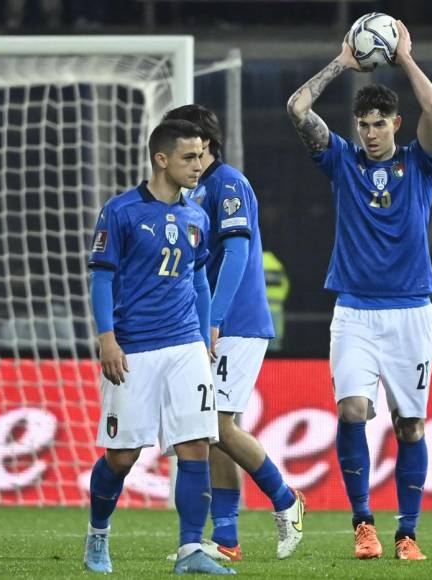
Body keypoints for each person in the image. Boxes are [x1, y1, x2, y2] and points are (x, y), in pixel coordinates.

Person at [286, 19, 432, 561]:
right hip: (353, 312)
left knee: (411, 425)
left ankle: (407, 534)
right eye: (364, 124)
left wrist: (403, 57)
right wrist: (342, 64)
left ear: (396, 124)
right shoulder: (342, 162)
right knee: (353, 411)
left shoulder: (419, 165)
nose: (371, 132)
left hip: (410, 313)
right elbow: (298, 109)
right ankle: (363, 524)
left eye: (380, 123)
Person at [83, 119, 234, 576]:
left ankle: (191, 551)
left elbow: (198, 278)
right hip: (135, 349)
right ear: (161, 159)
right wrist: (107, 338)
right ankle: (98, 535)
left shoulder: (197, 215)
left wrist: (208, 329)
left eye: (202, 155)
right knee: (122, 456)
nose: (199, 165)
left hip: (186, 345)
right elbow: (102, 277)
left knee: (195, 447)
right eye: (189, 157)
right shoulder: (122, 211)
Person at [162, 104, 305, 562]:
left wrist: (215, 319)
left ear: (206, 145)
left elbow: (240, 255)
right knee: (212, 428)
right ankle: (227, 540)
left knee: (218, 424)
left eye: (189, 143)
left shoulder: (229, 184)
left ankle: (286, 499)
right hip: (204, 323)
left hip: (236, 323)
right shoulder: (190, 193)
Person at [263, 250, 290, 352]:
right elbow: (285, 285)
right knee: (274, 345)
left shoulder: (255, 262)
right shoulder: (276, 264)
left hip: (257, 312)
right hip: (277, 310)